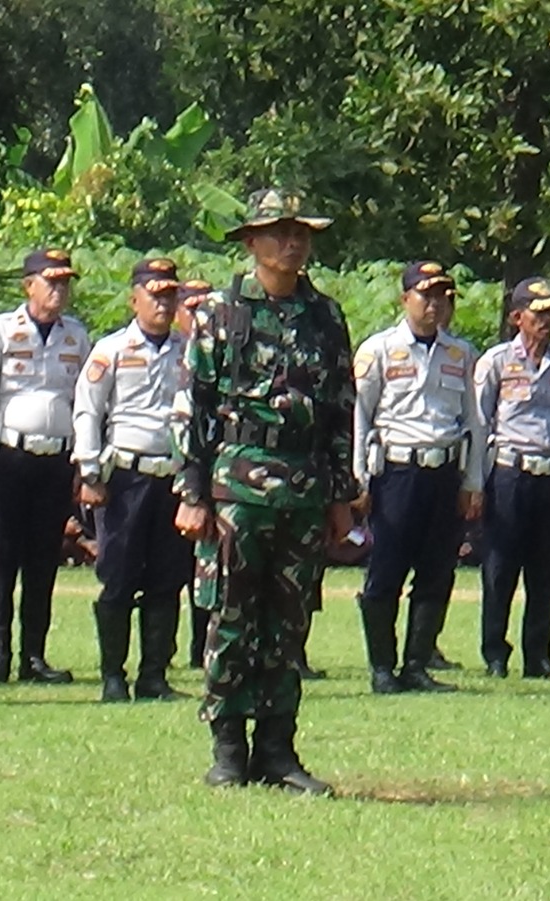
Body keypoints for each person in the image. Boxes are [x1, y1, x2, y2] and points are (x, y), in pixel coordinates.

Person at [176, 188, 357, 795]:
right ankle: (228, 748)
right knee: (230, 616)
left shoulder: (326, 316)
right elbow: (194, 408)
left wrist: (340, 494)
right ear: (252, 242)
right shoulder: (219, 314)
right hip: (236, 488)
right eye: (280, 231)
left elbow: (339, 411)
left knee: (289, 624)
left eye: (301, 232)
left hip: (304, 489)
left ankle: (278, 751)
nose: (294, 242)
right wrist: (193, 492)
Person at [351, 260, 479, 695]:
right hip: (397, 472)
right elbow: (360, 417)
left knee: (437, 570)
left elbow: (473, 422)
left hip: (444, 471)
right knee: (386, 570)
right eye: (425, 295)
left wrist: (472, 482)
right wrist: (359, 481)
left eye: (442, 295)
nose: (434, 304)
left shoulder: (461, 354)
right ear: (405, 298)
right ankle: (382, 668)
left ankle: (417, 664)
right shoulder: (379, 350)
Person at [0, 249, 88, 685]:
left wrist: (82, 462)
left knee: (43, 557)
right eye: (50, 281)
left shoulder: (76, 336)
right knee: (1, 555)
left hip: (56, 459)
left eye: (65, 282)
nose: (59, 290)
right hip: (7, 456)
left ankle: (34, 654)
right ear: (28, 285)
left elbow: (82, 403)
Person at [73, 258, 191, 703]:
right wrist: (88, 471)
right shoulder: (112, 350)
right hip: (125, 476)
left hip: (172, 478)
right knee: (119, 576)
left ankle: (154, 676)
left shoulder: (188, 350)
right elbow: (88, 410)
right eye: (154, 294)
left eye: (169, 295)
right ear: (134, 298)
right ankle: (112, 677)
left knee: (167, 577)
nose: (162, 303)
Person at [472, 276, 550, 682]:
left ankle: (539, 656)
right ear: (518, 317)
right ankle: (495, 653)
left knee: (546, 569)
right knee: (500, 568)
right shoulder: (496, 362)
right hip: (508, 474)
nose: (546, 320)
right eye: (538, 313)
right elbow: (480, 423)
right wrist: (477, 483)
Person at [174, 278, 215, 670]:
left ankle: (204, 645)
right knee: (171, 570)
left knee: (210, 566)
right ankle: (162, 653)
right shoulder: (169, 350)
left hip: (213, 474)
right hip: (163, 472)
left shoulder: (220, 349)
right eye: (191, 307)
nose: (199, 314)